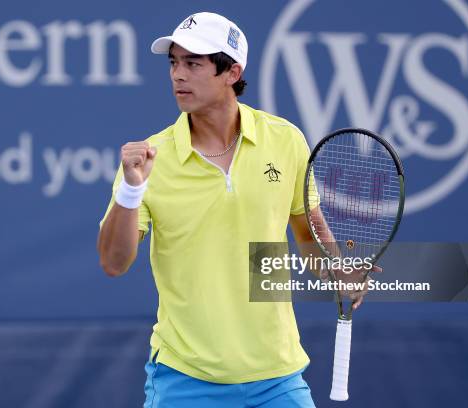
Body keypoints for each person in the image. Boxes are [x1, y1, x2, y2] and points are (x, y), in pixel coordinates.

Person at [98, 12, 372, 407]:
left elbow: (309, 233)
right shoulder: (148, 161)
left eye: (194, 63)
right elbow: (113, 262)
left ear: (232, 72)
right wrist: (130, 190)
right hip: (185, 379)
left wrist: (335, 270)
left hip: (278, 378)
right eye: (174, 62)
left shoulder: (286, 140)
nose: (178, 75)